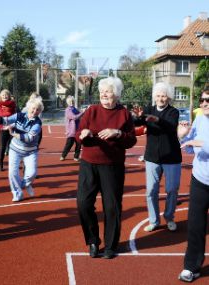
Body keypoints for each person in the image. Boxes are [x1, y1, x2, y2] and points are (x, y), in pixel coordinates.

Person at [76, 77, 137, 259]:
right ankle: (93, 240)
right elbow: (79, 134)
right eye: (102, 91)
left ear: (116, 95)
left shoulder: (124, 114)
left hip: (112, 166)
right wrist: (84, 134)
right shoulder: (92, 111)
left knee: (112, 207)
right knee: (83, 204)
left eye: (108, 91)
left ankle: (111, 246)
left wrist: (117, 133)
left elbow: (131, 140)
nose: (103, 94)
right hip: (89, 164)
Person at [133, 82, 182, 232]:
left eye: (164, 95)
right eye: (159, 95)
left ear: (169, 97)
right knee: (151, 191)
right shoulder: (148, 109)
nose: (161, 98)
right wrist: (139, 116)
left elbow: (171, 126)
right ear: (155, 96)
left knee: (172, 189)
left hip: (172, 157)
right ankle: (154, 220)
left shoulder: (173, 112)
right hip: (152, 157)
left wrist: (157, 120)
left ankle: (169, 217)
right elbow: (136, 122)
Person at [177, 90, 209, 282]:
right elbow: (190, 147)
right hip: (200, 179)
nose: (204, 103)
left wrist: (201, 143)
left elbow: (201, 144)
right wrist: (183, 136)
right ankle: (191, 267)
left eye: (208, 100)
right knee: (195, 225)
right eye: (202, 99)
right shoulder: (199, 118)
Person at [0, 98, 43, 202]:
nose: (35, 111)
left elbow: (29, 138)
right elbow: (5, 121)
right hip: (15, 149)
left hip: (30, 151)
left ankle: (25, 184)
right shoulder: (19, 115)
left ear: (39, 112)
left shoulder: (37, 123)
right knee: (12, 173)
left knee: (32, 173)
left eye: (37, 109)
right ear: (28, 108)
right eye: (33, 108)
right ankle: (17, 194)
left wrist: (14, 134)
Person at [60, 95, 84, 161]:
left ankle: (76, 157)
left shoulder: (75, 109)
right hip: (71, 131)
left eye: (73, 101)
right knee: (69, 145)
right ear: (68, 102)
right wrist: (82, 113)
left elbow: (81, 115)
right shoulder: (68, 110)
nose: (72, 102)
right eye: (70, 101)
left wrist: (85, 111)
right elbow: (74, 117)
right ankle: (63, 155)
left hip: (78, 130)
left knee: (79, 144)